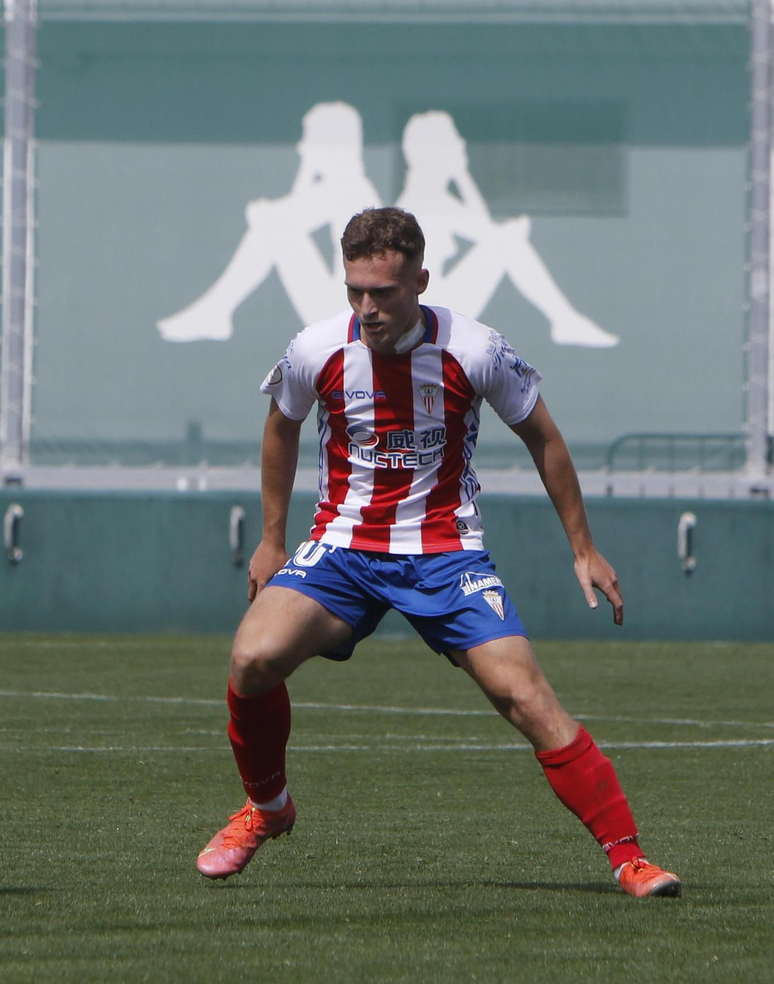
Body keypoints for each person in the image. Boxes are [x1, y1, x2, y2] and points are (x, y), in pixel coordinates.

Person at [193, 206, 680, 897]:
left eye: (383, 292)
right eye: (355, 290)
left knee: (526, 697)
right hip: (343, 549)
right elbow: (282, 428)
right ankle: (267, 811)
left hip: (445, 554)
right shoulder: (316, 349)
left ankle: (630, 858)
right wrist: (273, 540)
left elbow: (544, 438)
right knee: (252, 658)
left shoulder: (474, 349)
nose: (368, 308)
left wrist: (584, 549)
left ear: (420, 280)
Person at [158, 102, 382, 342]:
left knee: (273, 228)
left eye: (309, 140)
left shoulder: (348, 188)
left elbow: (276, 216)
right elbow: (290, 211)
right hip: (343, 308)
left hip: (348, 313)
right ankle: (216, 310)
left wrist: (307, 169)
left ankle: (216, 310)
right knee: (276, 227)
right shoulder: (345, 185)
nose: (302, 148)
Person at [395, 111, 618, 348]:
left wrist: (461, 175)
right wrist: (462, 175)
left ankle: (565, 320)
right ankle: (565, 320)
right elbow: (486, 230)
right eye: (453, 140)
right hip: (431, 306)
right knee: (508, 240)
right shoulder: (425, 198)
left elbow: (481, 222)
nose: (461, 144)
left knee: (507, 239)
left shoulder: (432, 193)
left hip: (435, 304)